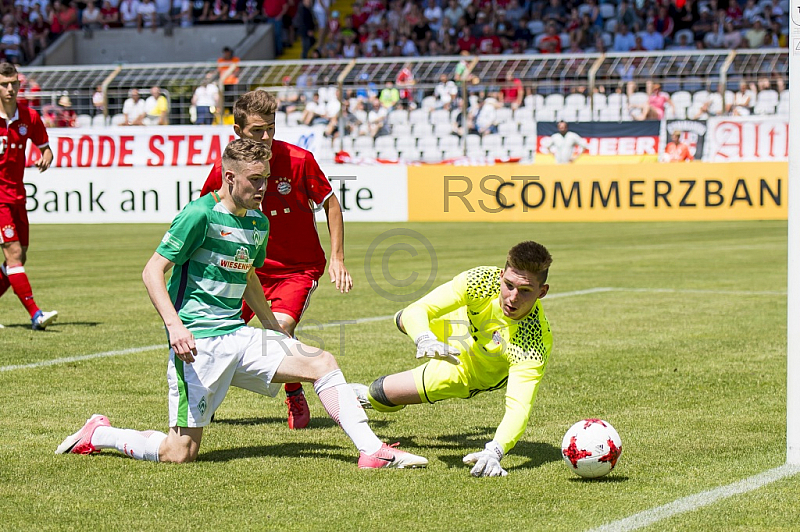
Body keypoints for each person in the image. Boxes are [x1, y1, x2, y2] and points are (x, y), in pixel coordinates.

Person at [56, 138, 427, 470]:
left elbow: (248, 275)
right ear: (229, 177)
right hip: (197, 345)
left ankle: (373, 450)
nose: (263, 187)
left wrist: (271, 327)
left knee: (322, 362)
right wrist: (175, 327)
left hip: (237, 336)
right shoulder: (198, 215)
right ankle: (100, 433)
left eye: (265, 177)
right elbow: (153, 271)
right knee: (179, 453)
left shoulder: (258, 222)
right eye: (255, 179)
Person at [200, 90, 352, 430]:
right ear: (237, 131)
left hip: (297, 269)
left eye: (271, 127)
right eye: (257, 130)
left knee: (279, 330)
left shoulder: (299, 159)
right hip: (243, 270)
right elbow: (206, 214)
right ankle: (205, 399)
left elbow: (331, 203)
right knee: (212, 337)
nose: (266, 137)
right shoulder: (224, 169)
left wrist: (338, 259)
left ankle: (294, 390)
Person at [351, 241, 553, 477]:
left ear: (542, 292)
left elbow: (519, 406)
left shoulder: (534, 341)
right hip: (454, 328)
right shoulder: (481, 280)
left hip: (468, 371)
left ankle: (363, 396)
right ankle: (422, 338)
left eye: (525, 290)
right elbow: (419, 309)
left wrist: (495, 450)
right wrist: (424, 338)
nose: (512, 297)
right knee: (405, 318)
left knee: (379, 393)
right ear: (501, 275)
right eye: (508, 285)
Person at [0, 62, 57, 330]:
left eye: (13, 83)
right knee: (12, 254)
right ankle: (36, 314)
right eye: (4, 84)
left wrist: (46, 156)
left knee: (19, 257)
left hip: (18, 196)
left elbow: (45, 146)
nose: (9, 89)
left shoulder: (29, 117)